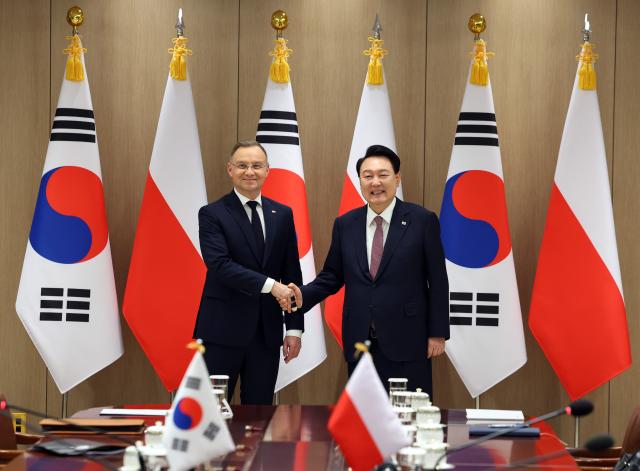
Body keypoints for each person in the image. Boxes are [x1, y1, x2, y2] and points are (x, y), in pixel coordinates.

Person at [286, 145, 449, 395]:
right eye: (368, 175)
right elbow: (332, 275)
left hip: (408, 338)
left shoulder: (422, 221)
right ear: (360, 180)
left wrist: (437, 334)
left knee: (407, 420)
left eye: (383, 174)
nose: (375, 182)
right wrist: (303, 295)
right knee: (362, 420)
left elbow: (438, 281)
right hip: (360, 339)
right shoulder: (345, 224)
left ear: (397, 178)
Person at [194, 140, 303, 404]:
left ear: (268, 170)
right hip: (222, 331)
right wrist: (271, 286)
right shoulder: (212, 213)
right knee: (213, 412)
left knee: (260, 413)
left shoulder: (283, 214)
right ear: (230, 170)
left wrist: (294, 329)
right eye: (242, 165)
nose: (250, 172)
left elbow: (292, 274)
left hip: (266, 333)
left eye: (257, 165)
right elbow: (220, 265)